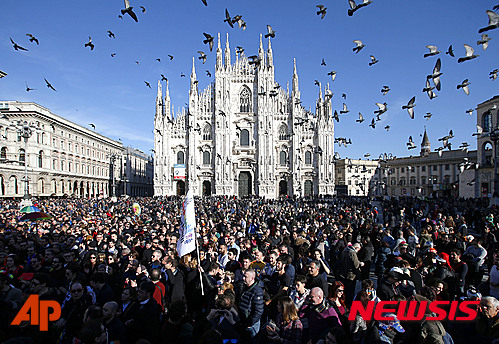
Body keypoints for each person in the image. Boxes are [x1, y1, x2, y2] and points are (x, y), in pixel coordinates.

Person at [239, 268, 264, 339]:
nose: (243, 279)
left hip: (251, 324)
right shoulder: (245, 287)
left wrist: (250, 323)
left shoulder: (257, 291)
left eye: (245, 277)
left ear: (252, 278)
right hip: (244, 321)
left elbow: (258, 310)